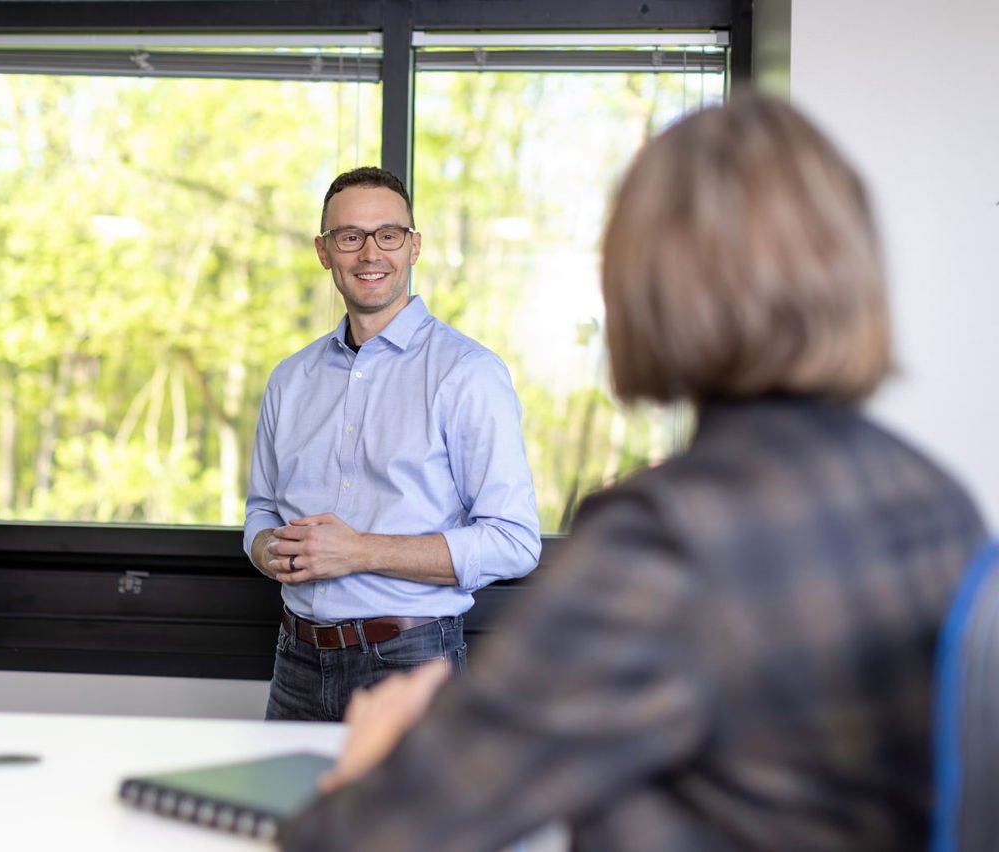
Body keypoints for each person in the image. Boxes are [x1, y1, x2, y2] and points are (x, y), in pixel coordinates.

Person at [279, 93, 990, 850]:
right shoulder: (942, 507)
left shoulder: (666, 537)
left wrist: (374, 759)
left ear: (647, 289)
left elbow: (375, 835)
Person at [243, 166, 542, 723]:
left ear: (414, 245)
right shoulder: (290, 379)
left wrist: (360, 552)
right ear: (324, 251)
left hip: (411, 663)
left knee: (410, 817)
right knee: (283, 814)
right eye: (349, 237)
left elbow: (514, 542)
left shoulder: (468, 373)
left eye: (389, 234)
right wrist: (264, 549)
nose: (370, 253)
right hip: (295, 661)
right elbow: (261, 509)